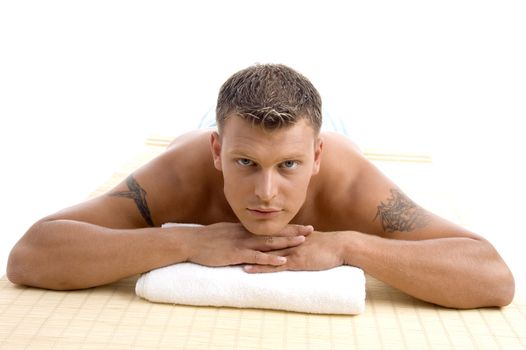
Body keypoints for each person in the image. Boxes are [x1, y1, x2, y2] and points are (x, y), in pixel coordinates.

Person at [7, 64, 514, 309]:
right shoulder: (185, 170)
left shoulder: (349, 181)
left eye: (289, 165)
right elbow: (31, 254)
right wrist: (186, 240)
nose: (266, 193)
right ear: (216, 154)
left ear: (316, 158)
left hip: (325, 129)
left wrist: (349, 246)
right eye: (245, 163)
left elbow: (493, 277)